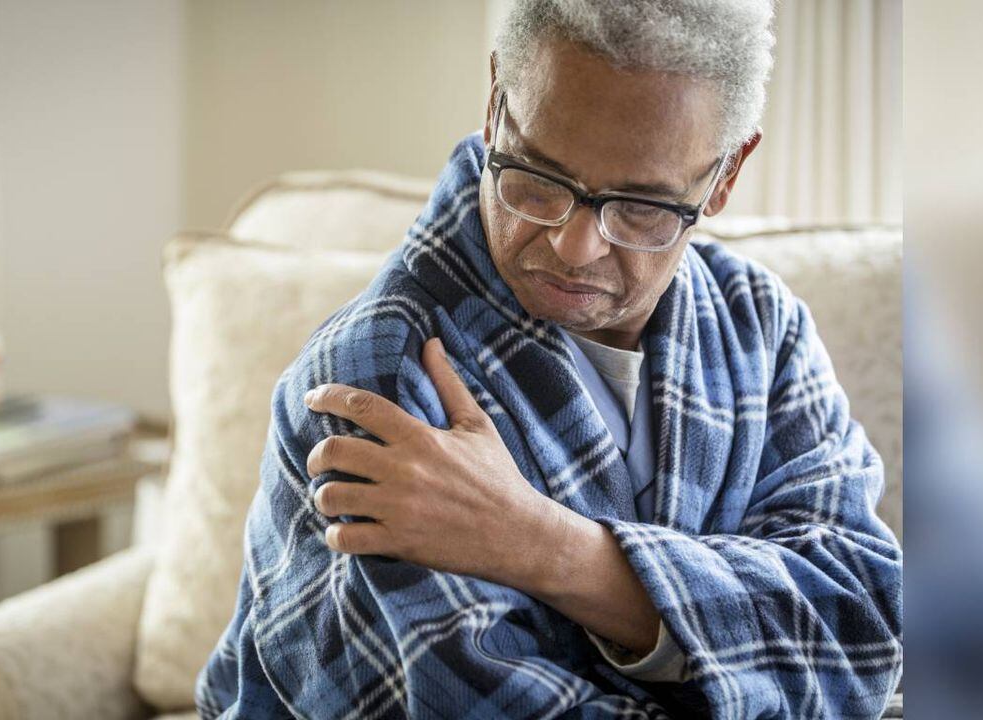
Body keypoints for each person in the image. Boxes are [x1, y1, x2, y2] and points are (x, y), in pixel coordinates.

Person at [196, 1, 902, 717]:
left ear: (725, 174)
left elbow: (867, 626)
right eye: (538, 178)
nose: (574, 246)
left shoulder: (758, 321)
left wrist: (546, 547)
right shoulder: (377, 376)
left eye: (640, 206)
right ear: (497, 102)